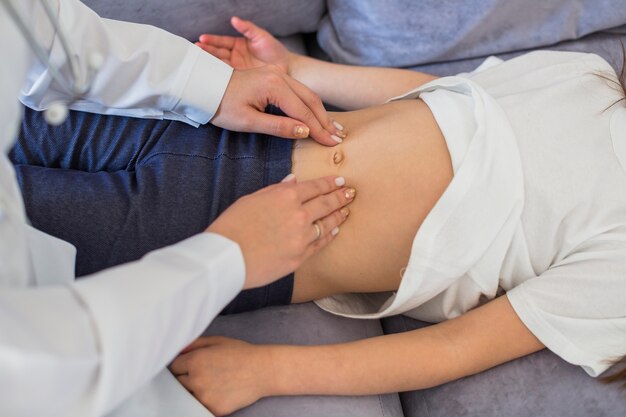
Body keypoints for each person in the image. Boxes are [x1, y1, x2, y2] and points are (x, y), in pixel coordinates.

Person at [164, 18, 625, 415]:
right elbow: (449, 95)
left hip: (255, 240)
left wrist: (264, 371)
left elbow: (457, 348)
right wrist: (299, 70)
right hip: (239, 115)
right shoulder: (589, 74)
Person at [0, 2, 355, 417]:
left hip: (205, 136)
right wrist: (224, 258)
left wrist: (217, 85)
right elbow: (41, 363)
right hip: (233, 217)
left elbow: (32, 28)